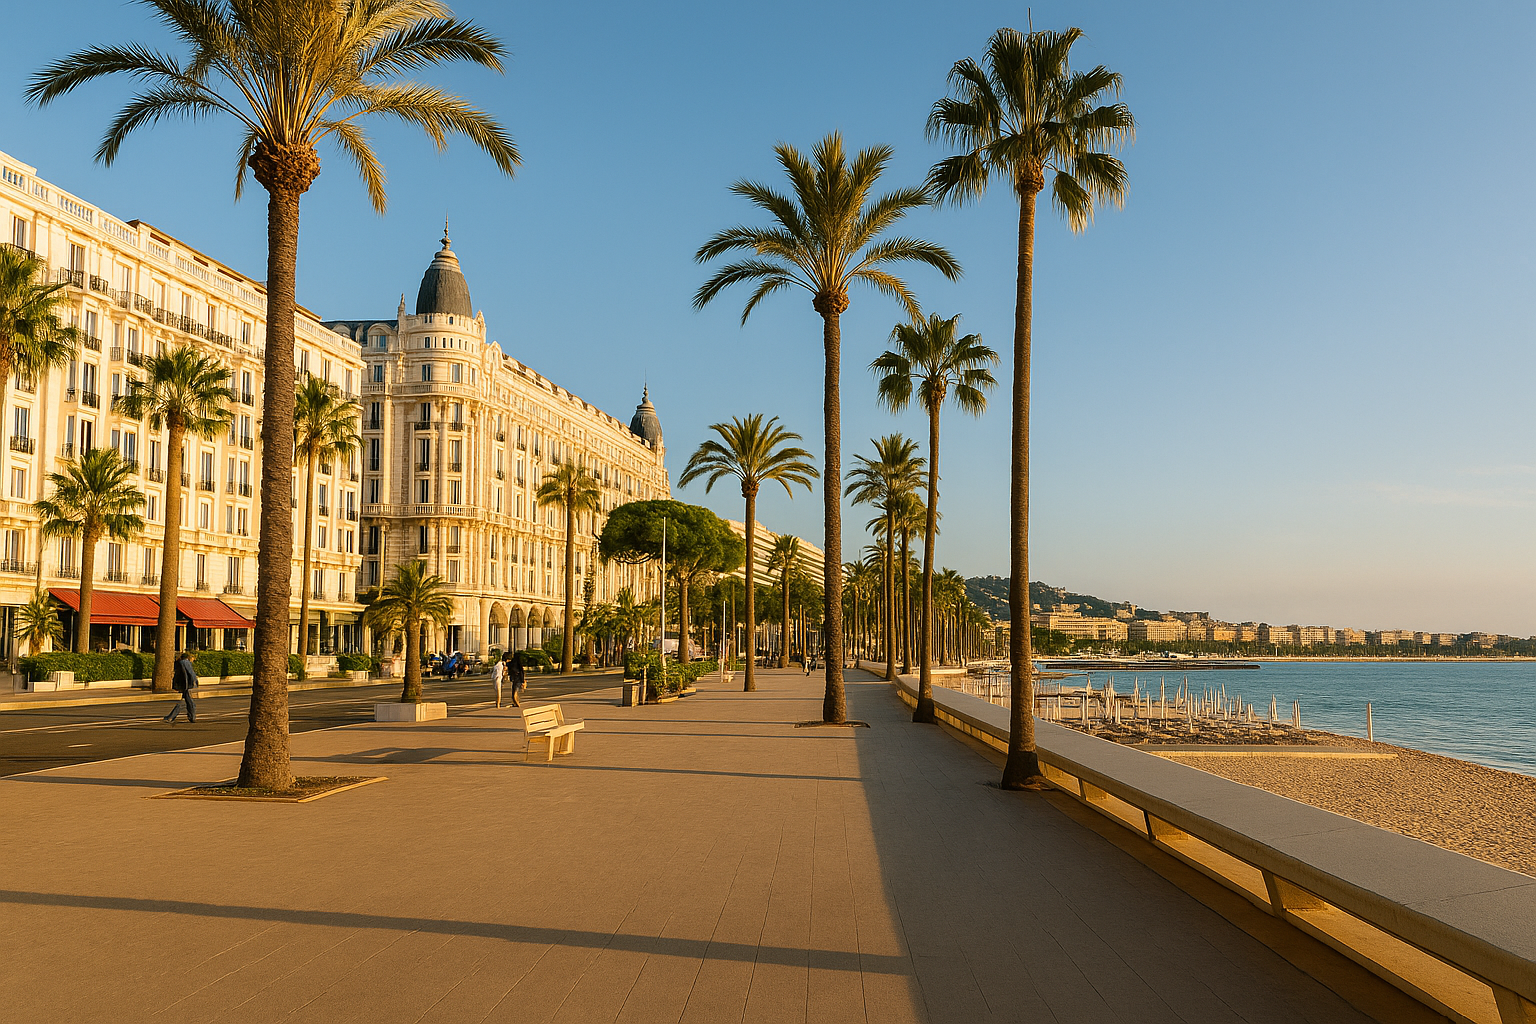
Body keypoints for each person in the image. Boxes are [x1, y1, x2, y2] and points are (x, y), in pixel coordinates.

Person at [163, 652, 199, 724]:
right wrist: (196, 681)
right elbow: (191, 673)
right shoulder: (186, 662)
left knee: (185, 702)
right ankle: (191, 717)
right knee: (188, 703)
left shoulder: (179, 663)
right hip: (187, 686)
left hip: (183, 685)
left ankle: (172, 717)